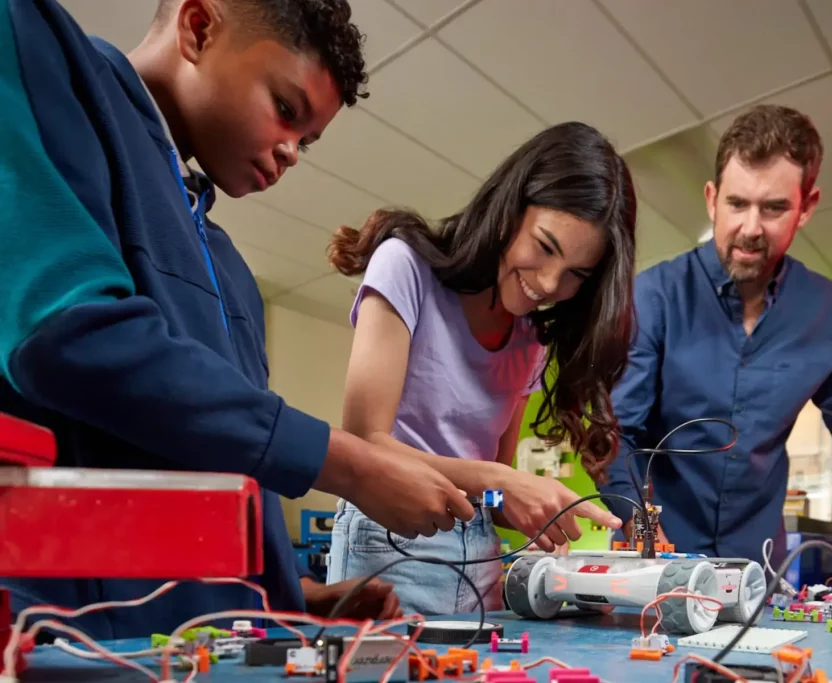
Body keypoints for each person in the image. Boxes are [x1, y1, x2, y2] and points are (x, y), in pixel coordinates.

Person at [0, 0, 475, 640]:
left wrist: (289, 599)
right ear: (199, 27)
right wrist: (350, 466)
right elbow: (64, 335)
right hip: (70, 636)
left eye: (306, 141)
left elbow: (219, 464)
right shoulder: (37, 47)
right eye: (286, 110)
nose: (291, 154)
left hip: (206, 646)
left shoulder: (227, 269)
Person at [599, 104, 832, 585]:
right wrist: (641, 527)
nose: (751, 227)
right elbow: (615, 432)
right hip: (653, 565)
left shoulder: (825, 312)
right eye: (737, 204)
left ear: (806, 206)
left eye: (774, 208)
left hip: (755, 572)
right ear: (711, 199)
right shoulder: (657, 295)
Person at [324, 122, 635, 614]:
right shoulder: (404, 266)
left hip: (480, 569)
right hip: (386, 548)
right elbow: (362, 446)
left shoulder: (531, 339)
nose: (550, 284)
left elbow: (488, 497)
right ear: (509, 210)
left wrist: (539, 527)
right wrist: (500, 482)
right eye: (545, 247)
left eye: (577, 273)